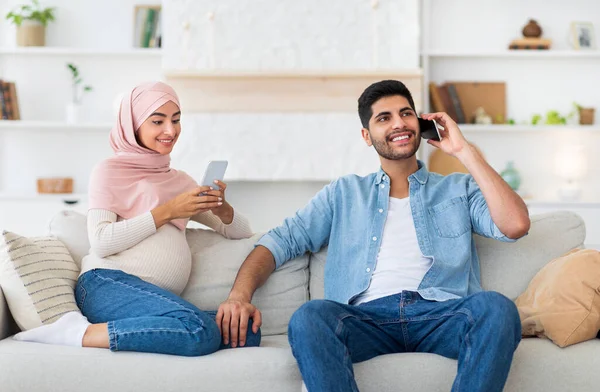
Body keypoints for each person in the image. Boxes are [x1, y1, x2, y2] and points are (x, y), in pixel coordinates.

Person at [217, 80, 530, 391]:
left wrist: (464, 151)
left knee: (497, 309)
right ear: (367, 136)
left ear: (421, 123)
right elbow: (277, 242)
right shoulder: (343, 193)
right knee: (309, 317)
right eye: (384, 118)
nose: (399, 124)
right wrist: (238, 296)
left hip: (441, 315)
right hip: (364, 319)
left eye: (406, 114)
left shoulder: (457, 188)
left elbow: (515, 225)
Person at [14, 81, 261, 356]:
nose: (170, 130)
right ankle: (76, 334)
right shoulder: (109, 171)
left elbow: (242, 231)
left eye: (176, 120)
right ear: (132, 125)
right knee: (198, 331)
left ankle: (158, 329)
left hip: (151, 299)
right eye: (158, 121)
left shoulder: (180, 181)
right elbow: (102, 241)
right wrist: (168, 211)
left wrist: (221, 207)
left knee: (247, 330)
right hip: (106, 285)